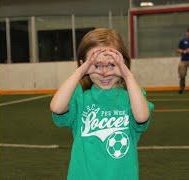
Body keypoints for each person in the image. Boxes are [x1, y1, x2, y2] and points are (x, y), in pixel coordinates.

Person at [50, 28, 154, 180]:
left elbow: (142, 117)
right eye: (96, 65)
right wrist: (80, 71)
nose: (104, 72)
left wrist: (127, 75)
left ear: (123, 63)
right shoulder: (80, 97)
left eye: (112, 65)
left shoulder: (132, 97)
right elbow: (57, 107)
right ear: (83, 64)